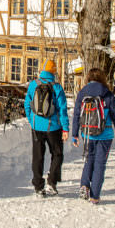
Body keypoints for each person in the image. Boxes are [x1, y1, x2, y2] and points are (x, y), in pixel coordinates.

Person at [70, 68, 115, 204]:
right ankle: (94, 196)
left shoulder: (82, 93)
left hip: (88, 134)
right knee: (100, 164)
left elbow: (76, 115)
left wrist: (75, 134)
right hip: (105, 134)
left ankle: (84, 185)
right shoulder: (107, 94)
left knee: (89, 160)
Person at [25, 60, 69, 196]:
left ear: (42, 70)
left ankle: (38, 186)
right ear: (54, 72)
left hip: (36, 127)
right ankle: (52, 181)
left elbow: (27, 104)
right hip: (53, 127)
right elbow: (62, 110)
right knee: (57, 154)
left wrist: (31, 121)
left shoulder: (33, 85)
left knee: (38, 156)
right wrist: (65, 128)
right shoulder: (57, 87)